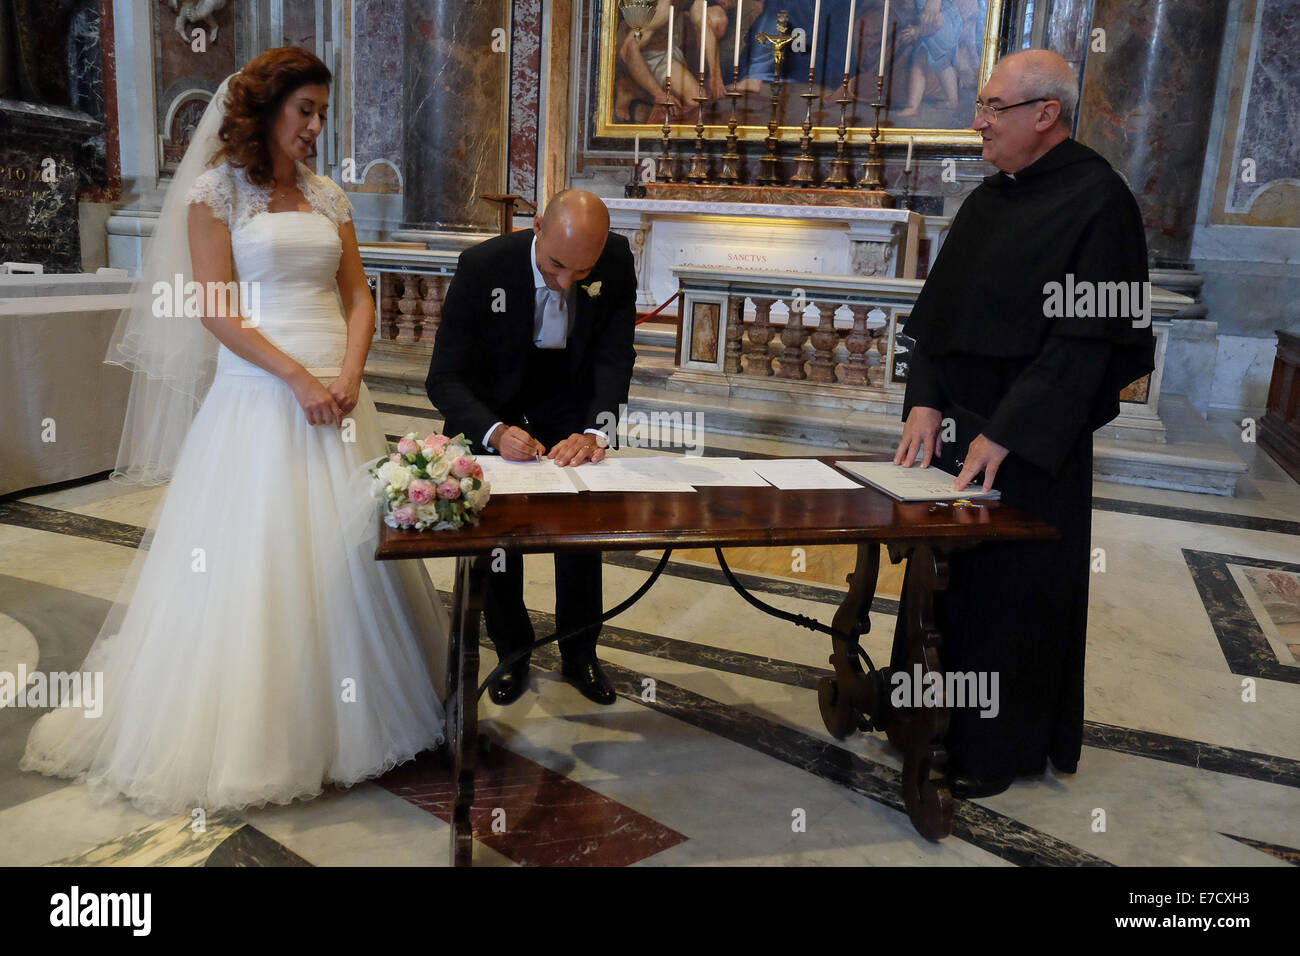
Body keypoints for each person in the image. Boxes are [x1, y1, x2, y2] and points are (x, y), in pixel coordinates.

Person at [20, 47, 449, 814]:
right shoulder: (216, 194)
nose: (317, 126)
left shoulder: (329, 198)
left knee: (349, 556)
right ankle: (264, 736)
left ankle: (363, 716)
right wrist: (297, 380)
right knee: (261, 560)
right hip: (262, 394)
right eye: (305, 111)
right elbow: (216, 309)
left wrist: (349, 375)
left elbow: (358, 296)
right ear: (266, 110)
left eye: (323, 112)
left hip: (340, 400)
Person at [890, 49, 1154, 798]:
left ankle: (993, 748)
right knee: (940, 587)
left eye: (993, 108)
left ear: (1046, 114)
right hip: (956, 436)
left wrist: (1006, 430)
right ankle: (924, 717)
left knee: (1009, 598)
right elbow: (939, 319)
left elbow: (1087, 342)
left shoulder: (1100, 202)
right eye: (980, 106)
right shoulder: (987, 201)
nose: (978, 122)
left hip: (1033, 445)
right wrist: (925, 399)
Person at [427, 191, 637, 707]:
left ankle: (581, 652)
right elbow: (445, 377)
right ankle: (511, 652)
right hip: (497, 405)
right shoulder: (483, 266)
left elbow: (614, 355)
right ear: (538, 226)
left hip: (571, 402)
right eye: (556, 266)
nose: (566, 283)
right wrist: (495, 431)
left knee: (582, 534)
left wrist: (596, 431)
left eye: (581, 272)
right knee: (499, 538)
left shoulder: (614, 258)